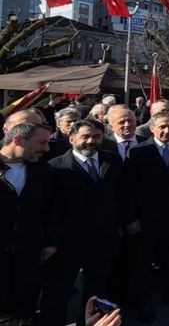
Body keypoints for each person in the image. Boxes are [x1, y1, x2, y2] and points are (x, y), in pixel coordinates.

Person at [41, 119, 124, 326]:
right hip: (68, 243)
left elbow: (122, 195)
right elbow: (50, 209)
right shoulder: (55, 167)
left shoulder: (113, 161)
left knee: (96, 292)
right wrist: (51, 240)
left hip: (103, 239)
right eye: (85, 136)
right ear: (71, 139)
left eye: (96, 136)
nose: (90, 141)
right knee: (59, 293)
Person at [125, 111, 169, 323]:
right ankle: (144, 303)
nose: (167, 131)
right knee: (144, 261)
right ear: (153, 128)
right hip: (147, 217)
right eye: (163, 127)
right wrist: (132, 218)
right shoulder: (138, 151)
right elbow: (130, 188)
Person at [0, 123, 54, 323]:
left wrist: (50, 242)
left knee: (25, 306)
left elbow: (51, 209)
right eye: (42, 142)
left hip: (28, 254)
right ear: (18, 140)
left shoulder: (43, 171)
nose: (46, 148)